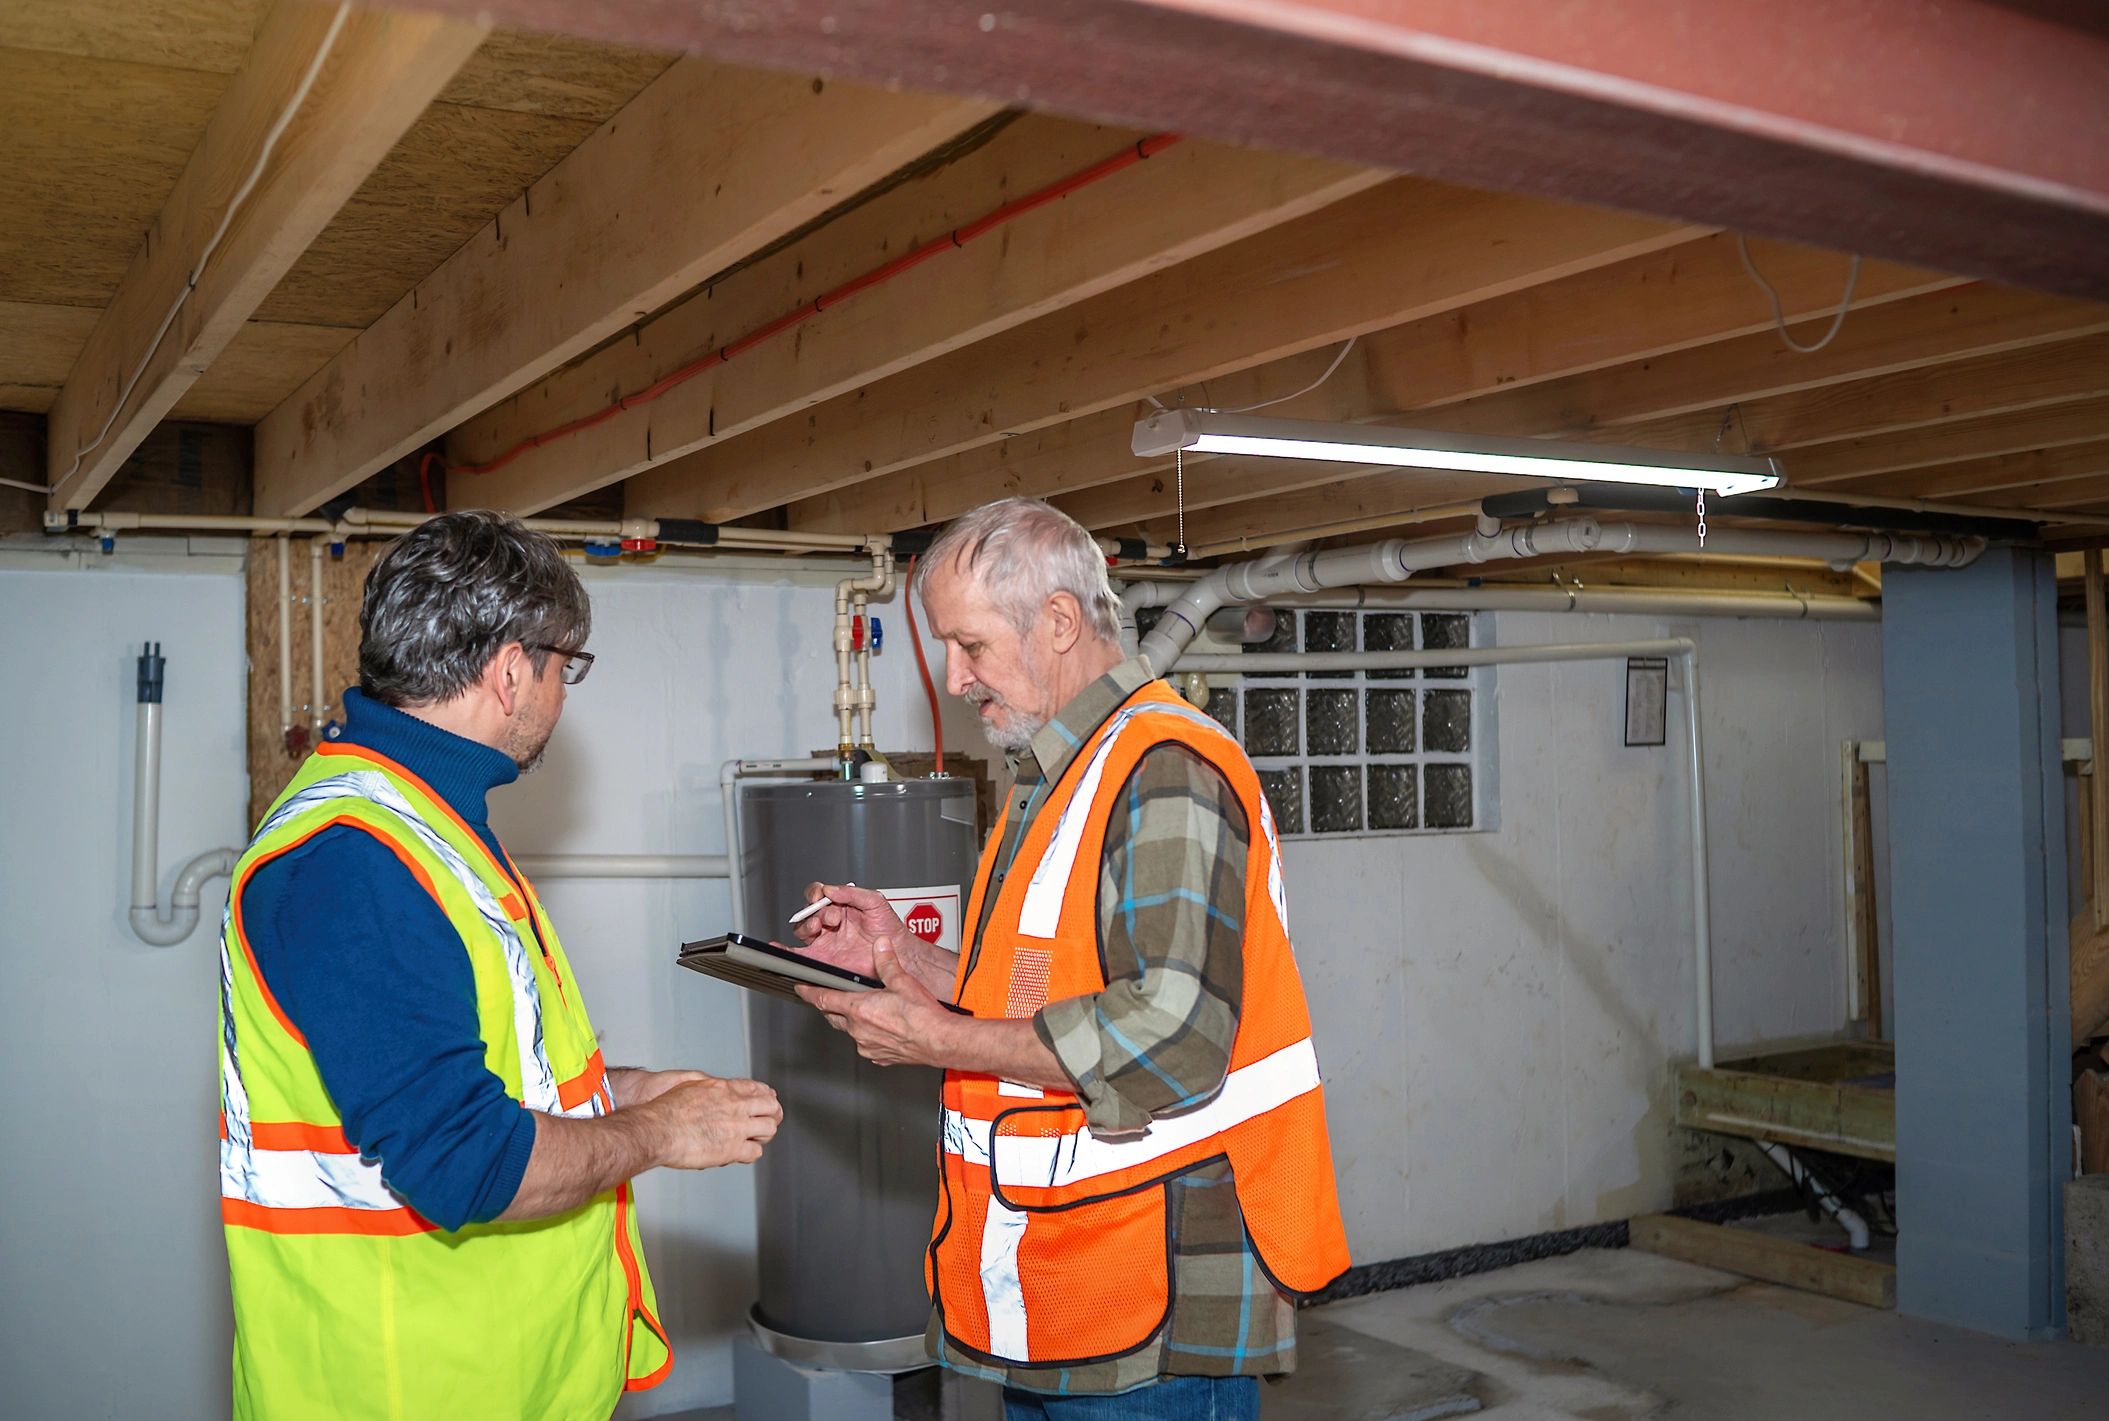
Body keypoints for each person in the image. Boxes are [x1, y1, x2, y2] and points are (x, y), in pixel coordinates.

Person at [794, 497, 1350, 1419]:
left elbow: (1171, 1034)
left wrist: (938, 1040)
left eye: (969, 645)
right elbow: (1037, 990)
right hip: (1065, 1292)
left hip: (1155, 1305)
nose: (955, 677)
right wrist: (905, 957)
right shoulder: (1057, 776)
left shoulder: (1161, 767)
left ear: (1057, 621)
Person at [218, 511, 780, 1420]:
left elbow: (466, 1069)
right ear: (511, 669)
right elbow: (461, 1159)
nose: (561, 694)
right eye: (565, 667)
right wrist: (657, 1134)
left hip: (496, 1375)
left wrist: (622, 1091)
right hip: (407, 1388)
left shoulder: (428, 823)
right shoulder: (357, 858)